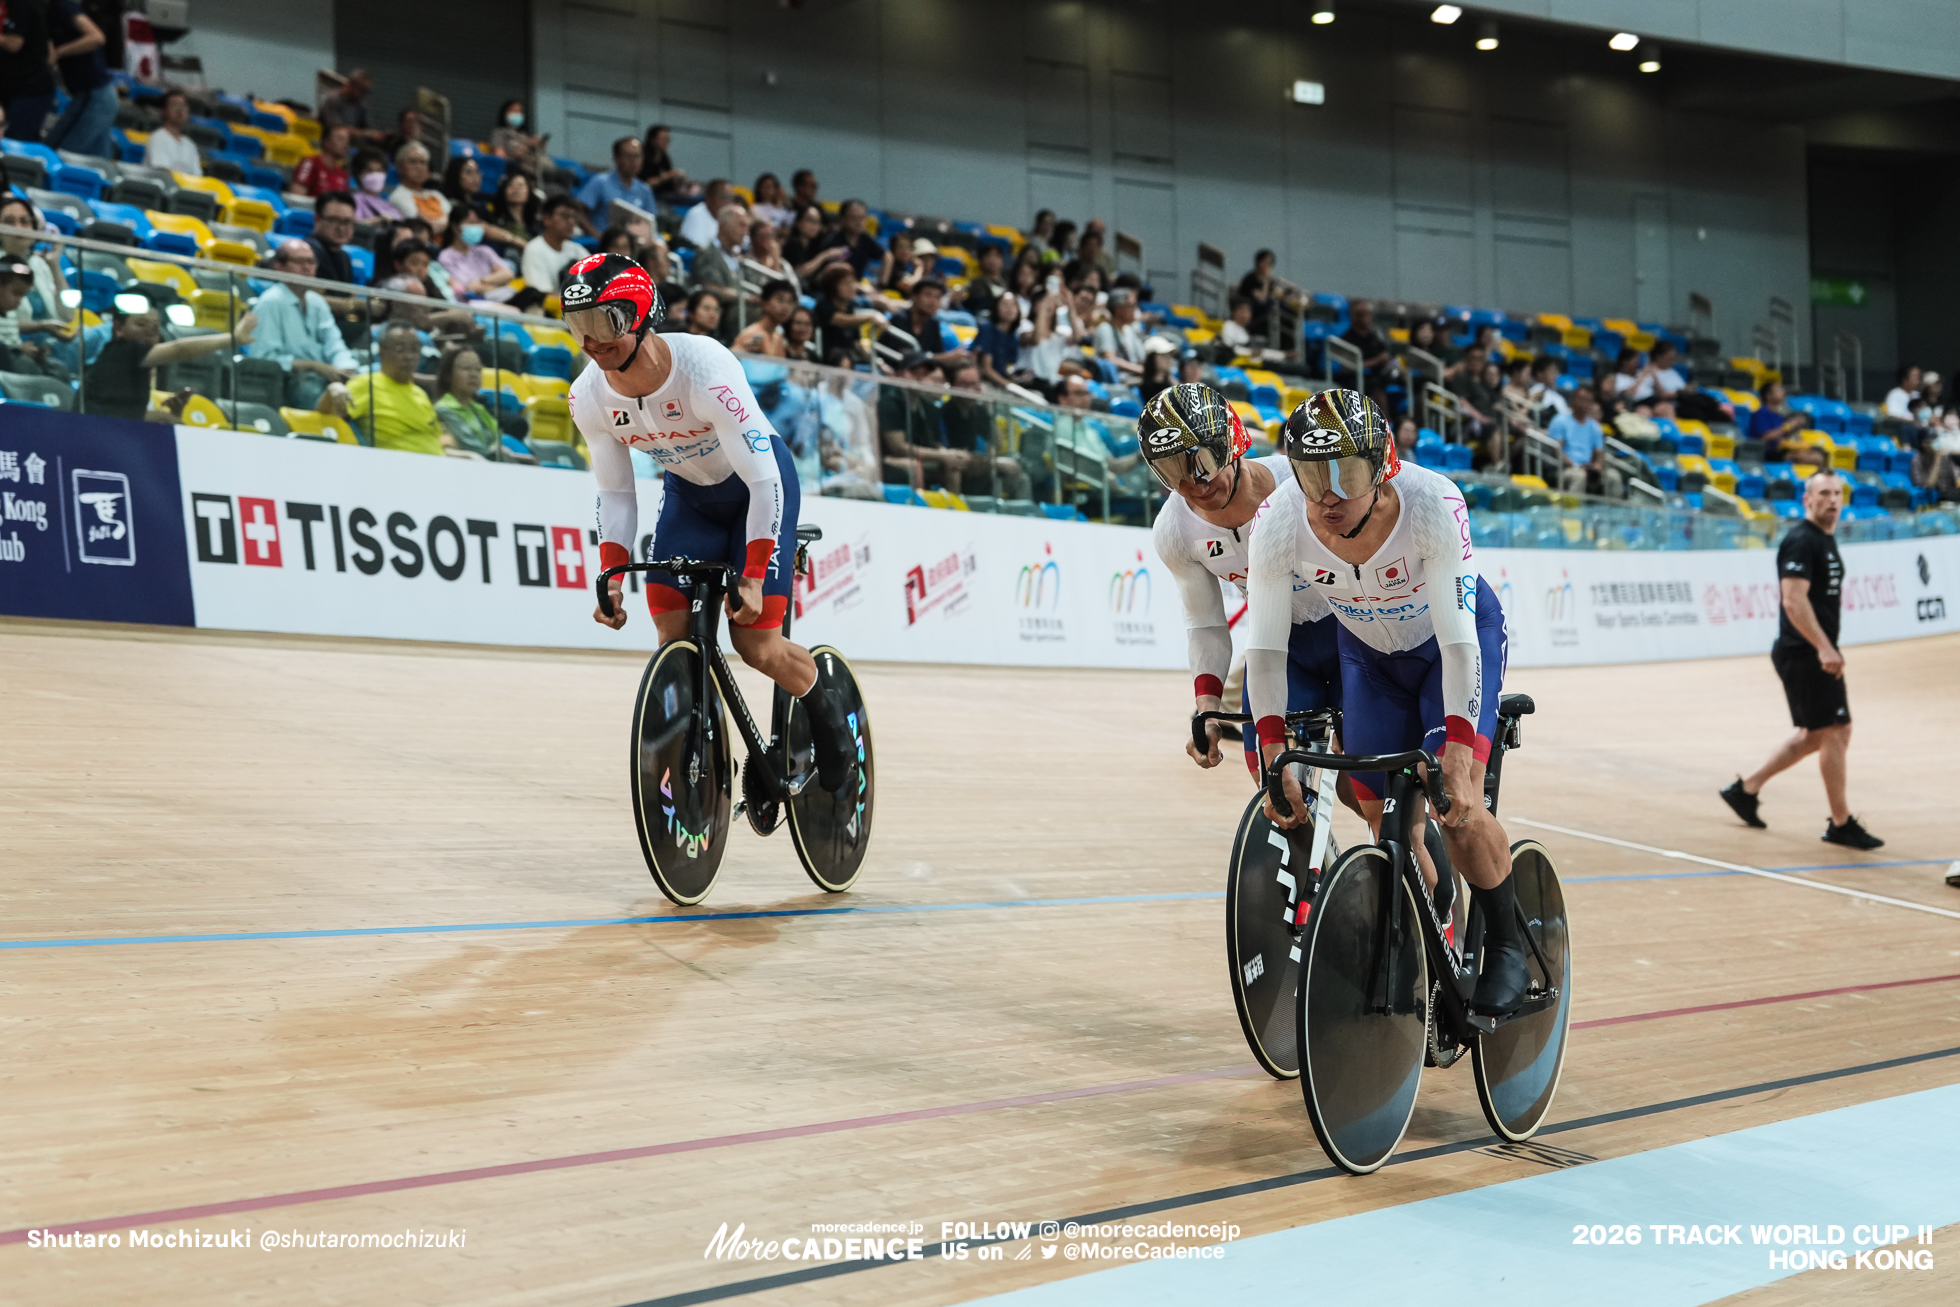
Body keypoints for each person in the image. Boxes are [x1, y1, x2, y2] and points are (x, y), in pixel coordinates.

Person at [1248, 389, 1526, 1016]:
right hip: (1368, 659)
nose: (1327, 495)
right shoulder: (1279, 519)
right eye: (1311, 473)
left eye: (1345, 473)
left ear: (1384, 468)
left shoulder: (1431, 501)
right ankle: (1428, 926)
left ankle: (1507, 945)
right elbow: (1265, 652)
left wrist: (1460, 749)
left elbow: (1458, 646)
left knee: (1458, 803)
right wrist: (1274, 751)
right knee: (1380, 813)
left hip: (1448, 647)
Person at [566, 253, 857, 791]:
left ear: (639, 316)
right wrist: (611, 574)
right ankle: (694, 750)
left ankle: (828, 715)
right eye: (576, 325)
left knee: (756, 647)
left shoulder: (705, 369)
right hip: (690, 497)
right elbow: (615, 490)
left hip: (757, 488)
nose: (590, 341)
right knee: (672, 634)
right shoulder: (589, 395)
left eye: (602, 323)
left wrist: (750, 572)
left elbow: (765, 482)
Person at [1135, 382, 1341, 784]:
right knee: (1274, 788)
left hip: (1351, 633)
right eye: (1172, 471)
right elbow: (1207, 625)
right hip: (1281, 650)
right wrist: (1207, 706)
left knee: (1361, 788)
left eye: (1203, 462)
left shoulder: (1299, 484)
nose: (1194, 483)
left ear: (1233, 443)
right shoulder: (1175, 529)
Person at [1719, 471, 1881, 848]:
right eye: (1824, 493)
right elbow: (1793, 601)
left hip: (1810, 651)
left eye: (1838, 493)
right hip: (1805, 653)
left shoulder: (1824, 540)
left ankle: (1745, 790)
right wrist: (1824, 647)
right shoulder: (1801, 541)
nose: (1833, 500)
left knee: (1816, 734)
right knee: (1836, 731)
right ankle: (1840, 824)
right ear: (1806, 499)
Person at [83, 305, 258, 421]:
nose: (151, 331)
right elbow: (179, 349)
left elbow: (127, 417)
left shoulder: (134, 372)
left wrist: (173, 414)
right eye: (141, 324)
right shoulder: (121, 351)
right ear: (118, 328)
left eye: (156, 326)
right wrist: (233, 338)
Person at [251, 239, 360, 408]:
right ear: (279, 267)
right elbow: (264, 360)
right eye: (299, 262)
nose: (307, 267)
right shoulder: (270, 302)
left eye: (311, 262)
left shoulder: (318, 303)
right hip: (291, 383)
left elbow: (335, 345)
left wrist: (347, 368)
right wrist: (314, 366)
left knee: (368, 384)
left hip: (328, 377)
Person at [320, 323, 443, 454]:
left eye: (414, 349)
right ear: (381, 351)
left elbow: (436, 439)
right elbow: (326, 417)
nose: (409, 356)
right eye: (400, 349)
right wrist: (333, 389)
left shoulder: (420, 394)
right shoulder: (366, 384)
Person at [44, 1, 113, 157]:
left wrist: (60, 52)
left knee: (55, 154)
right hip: (97, 95)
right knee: (94, 161)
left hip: (94, 93)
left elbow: (97, 37)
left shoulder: (64, 8)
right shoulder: (47, 14)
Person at [432, 345, 510, 459]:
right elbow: (471, 446)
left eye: (478, 369)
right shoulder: (443, 410)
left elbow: (498, 438)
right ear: (448, 375)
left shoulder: (479, 409)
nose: (474, 375)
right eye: (466, 368)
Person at [1550, 385, 1621, 498]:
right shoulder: (1560, 421)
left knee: (1613, 476)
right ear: (1573, 400)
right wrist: (1574, 466)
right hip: (1566, 468)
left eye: (1588, 401)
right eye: (1581, 399)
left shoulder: (1594, 427)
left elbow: (1599, 452)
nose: (1584, 403)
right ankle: (1573, 513)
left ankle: (1613, 512)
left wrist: (1597, 465)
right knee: (1579, 476)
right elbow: (1556, 450)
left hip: (1588, 467)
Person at [1, 0, 56, 144]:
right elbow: (50, 52)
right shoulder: (7, 7)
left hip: (30, 90)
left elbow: (14, 44)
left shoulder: (23, 5)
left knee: (17, 142)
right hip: (12, 89)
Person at [811, 262, 881, 363]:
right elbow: (840, 320)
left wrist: (878, 362)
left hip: (848, 358)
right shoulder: (823, 305)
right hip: (828, 360)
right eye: (845, 283)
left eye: (853, 282)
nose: (852, 287)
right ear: (832, 286)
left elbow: (856, 343)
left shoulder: (850, 308)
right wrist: (871, 317)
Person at [438, 215, 517, 304]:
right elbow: (469, 287)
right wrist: (497, 279)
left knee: (530, 293)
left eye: (477, 222)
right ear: (455, 226)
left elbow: (508, 274)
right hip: (476, 302)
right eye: (470, 222)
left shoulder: (484, 250)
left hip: (501, 297)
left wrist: (482, 281)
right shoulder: (446, 256)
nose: (475, 226)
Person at [577, 135, 656, 222]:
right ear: (616, 159)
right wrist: (597, 235)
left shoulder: (645, 190)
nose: (634, 161)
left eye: (637, 156)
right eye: (628, 156)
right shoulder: (600, 181)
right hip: (603, 234)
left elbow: (650, 222)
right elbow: (578, 211)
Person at [1749, 379, 1826, 469]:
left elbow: (1785, 434)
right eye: (1778, 390)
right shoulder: (1761, 413)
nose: (1783, 392)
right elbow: (1764, 438)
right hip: (1769, 453)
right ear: (1768, 396)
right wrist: (1789, 426)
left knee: (1818, 455)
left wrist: (1796, 426)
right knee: (1809, 457)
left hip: (1784, 450)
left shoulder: (1780, 415)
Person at [442, 156, 517, 248]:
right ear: (455, 174)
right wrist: (515, 241)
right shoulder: (447, 203)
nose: (475, 177)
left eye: (477, 172)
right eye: (468, 172)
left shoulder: (481, 204)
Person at [521, 194, 586, 297]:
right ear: (547, 219)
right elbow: (543, 295)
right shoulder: (534, 249)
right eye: (565, 216)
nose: (571, 222)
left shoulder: (578, 250)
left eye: (574, 217)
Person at [688, 204, 750, 310]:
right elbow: (710, 287)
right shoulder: (707, 252)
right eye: (741, 225)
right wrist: (746, 298)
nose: (745, 232)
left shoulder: (742, 256)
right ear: (725, 225)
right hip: (721, 310)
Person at [388, 142, 451, 238]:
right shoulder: (398, 196)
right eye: (413, 162)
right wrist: (446, 222)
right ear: (400, 167)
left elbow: (455, 221)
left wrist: (433, 222)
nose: (419, 167)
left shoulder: (436, 194)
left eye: (423, 162)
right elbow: (423, 229)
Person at [732, 278, 797, 357]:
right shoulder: (752, 335)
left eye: (790, 302)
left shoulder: (779, 339)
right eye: (780, 300)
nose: (785, 307)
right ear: (764, 303)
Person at [142, 88, 201, 174]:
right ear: (164, 111)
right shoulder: (158, 139)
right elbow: (163, 174)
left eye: (184, 105)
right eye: (175, 105)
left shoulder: (191, 146)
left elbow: (197, 177)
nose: (180, 110)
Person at [822, 200, 886, 279]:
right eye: (854, 217)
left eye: (862, 217)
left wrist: (882, 284)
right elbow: (834, 278)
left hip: (855, 286)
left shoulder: (865, 238)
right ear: (843, 219)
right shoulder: (833, 241)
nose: (859, 222)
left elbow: (887, 256)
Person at [290, 122, 354, 200]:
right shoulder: (310, 163)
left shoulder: (343, 174)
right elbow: (296, 198)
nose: (346, 145)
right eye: (340, 139)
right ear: (327, 142)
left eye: (347, 141)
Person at [973, 292, 1022, 388]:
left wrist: (1017, 379)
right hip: (983, 381)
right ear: (996, 308)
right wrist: (1009, 385)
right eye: (1005, 304)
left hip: (999, 382)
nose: (1009, 309)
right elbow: (986, 367)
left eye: (1013, 305)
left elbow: (1008, 367)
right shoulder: (987, 329)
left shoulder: (1013, 337)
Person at [782, 203, 841, 283]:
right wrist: (825, 256)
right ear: (798, 223)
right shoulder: (791, 245)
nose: (815, 226)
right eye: (811, 221)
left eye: (818, 222)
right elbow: (799, 272)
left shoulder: (816, 246)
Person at [489, 99, 546, 181]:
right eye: (514, 111)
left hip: (536, 167)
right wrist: (524, 148)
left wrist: (540, 145)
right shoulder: (499, 133)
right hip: (517, 169)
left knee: (563, 175)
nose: (517, 114)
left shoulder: (524, 136)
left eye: (520, 112)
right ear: (505, 113)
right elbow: (500, 157)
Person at [1094, 288, 1146, 379]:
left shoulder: (1129, 330)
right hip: (1115, 382)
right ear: (1117, 309)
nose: (1135, 309)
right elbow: (1110, 358)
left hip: (1133, 379)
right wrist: (1139, 369)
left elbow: (1141, 359)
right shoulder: (1105, 328)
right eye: (1131, 306)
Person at [639, 125, 698, 204]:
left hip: (665, 192)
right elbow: (644, 183)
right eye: (663, 139)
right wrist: (667, 176)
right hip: (652, 194)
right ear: (652, 140)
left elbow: (670, 178)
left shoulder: (664, 157)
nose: (666, 142)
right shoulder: (643, 157)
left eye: (667, 139)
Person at [485, 170, 541, 250]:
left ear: (528, 193)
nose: (516, 189)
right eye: (510, 185)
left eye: (520, 185)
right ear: (504, 192)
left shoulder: (535, 224)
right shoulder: (494, 218)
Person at [318, 69, 378, 142]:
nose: (364, 95)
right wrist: (367, 134)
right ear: (351, 85)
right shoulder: (333, 100)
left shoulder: (360, 105)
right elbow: (337, 129)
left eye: (366, 92)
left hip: (353, 144)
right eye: (362, 90)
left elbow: (368, 128)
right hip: (331, 143)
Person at [350, 149, 403, 222]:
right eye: (370, 170)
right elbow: (353, 224)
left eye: (379, 171)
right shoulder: (354, 201)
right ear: (359, 174)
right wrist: (374, 222)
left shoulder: (389, 205)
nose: (375, 175)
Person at [679, 179, 734, 249]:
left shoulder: (728, 218)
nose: (727, 202)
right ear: (709, 197)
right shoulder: (696, 214)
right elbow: (697, 249)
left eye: (730, 198)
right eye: (723, 197)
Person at [1237, 249, 1276, 340]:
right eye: (1266, 262)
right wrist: (1266, 282)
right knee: (1271, 307)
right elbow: (1262, 300)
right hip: (1252, 311)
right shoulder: (1251, 279)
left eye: (1270, 263)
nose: (1268, 266)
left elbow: (1272, 295)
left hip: (1264, 311)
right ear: (1259, 262)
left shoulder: (1271, 281)